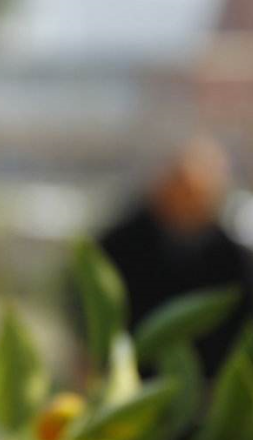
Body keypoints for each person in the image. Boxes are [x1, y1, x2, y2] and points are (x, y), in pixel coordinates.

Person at [99, 136, 253, 378]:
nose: (187, 201)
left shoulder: (232, 256)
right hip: (132, 375)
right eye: (181, 189)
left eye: (197, 193)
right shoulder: (120, 244)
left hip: (207, 387)